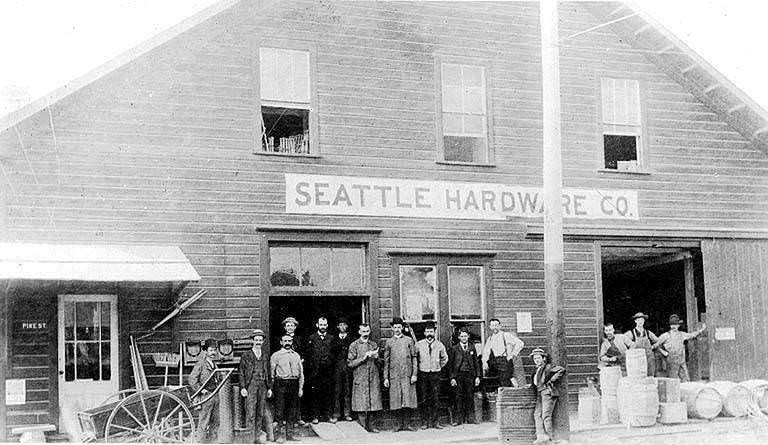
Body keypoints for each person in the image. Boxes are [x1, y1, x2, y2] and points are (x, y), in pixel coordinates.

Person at [383, 317, 418, 431]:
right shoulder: (389, 342)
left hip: (407, 375)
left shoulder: (408, 340)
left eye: (399, 327)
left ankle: (407, 424)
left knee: (407, 400)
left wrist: (414, 374)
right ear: (392, 328)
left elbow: (414, 358)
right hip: (394, 376)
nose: (397, 329)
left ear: (402, 328)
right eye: (395, 327)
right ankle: (398, 425)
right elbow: (386, 361)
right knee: (396, 400)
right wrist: (386, 378)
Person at [239, 329, 273, 444]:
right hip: (251, 386)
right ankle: (250, 439)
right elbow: (241, 373)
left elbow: (268, 372)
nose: (258, 342)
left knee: (260, 412)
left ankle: (257, 437)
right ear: (252, 341)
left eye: (260, 340)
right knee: (250, 412)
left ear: (263, 342)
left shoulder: (265, 355)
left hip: (263, 386)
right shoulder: (246, 355)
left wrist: (269, 388)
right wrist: (243, 387)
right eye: (256, 340)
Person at [347, 323, 382, 433]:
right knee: (361, 404)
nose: (366, 333)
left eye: (367, 331)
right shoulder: (354, 345)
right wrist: (363, 358)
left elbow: (380, 363)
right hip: (360, 377)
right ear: (359, 332)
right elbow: (350, 363)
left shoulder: (373, 344)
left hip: (372, 377)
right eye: (363, 331)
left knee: (373, 402)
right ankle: (361, 427)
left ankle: (372, 426)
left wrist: (377, 358)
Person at [270, 334, 304, 443]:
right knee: (280, 411)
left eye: (289, 341)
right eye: (285, 341)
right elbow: (272, 374)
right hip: (281, 384)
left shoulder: (296, 355)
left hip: (294, 384)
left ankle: (290, 434)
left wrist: (300, 388)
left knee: (292, 410)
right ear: (281, 342)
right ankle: (279, 436)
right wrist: (271, 388)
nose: (287, 343)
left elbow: (301, 373)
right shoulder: (276, 356)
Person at [653, 314, 706, 382]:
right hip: (671, 361)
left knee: (685, 379)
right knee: (672, 381)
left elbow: (691, 335)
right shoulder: (665, 336)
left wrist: (701, 330)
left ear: (678, 325)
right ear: (670, 325)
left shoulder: (682, 334)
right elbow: (655, 346)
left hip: (681, 360)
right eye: (672, 325)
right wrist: (664, 352)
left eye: (675, 325)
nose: (673, 326)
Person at [415, 322, 448, 429]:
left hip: (435, 374)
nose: (429, 333)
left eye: (431, 331)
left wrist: (437, 366)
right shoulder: (419, 344)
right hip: (423, 374)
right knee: (424, 398)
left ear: (434, 332)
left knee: (435, 398)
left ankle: (435, 422)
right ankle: (425, 422)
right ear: (424, 333)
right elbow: (415, 358)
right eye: (427, 331)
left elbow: (445, 358)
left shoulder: (439, 345)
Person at [529, 348, 565, 445]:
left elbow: (561, 370)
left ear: (544, 358)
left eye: (538, 358)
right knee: (537, 415)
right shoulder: (536, 370)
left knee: (546, 416)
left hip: (547, 393)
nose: (536, 360)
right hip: (539, 394)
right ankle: (541, 437)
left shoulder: (547, 367)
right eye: (534, 358)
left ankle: (550, 438)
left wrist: (552, 380)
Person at [189, 338, 220, 443]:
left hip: (215, 396)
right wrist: (200, 390)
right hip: (206, 397)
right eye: (211, 350)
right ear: (205, 351)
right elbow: (192, 379)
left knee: (216, 422)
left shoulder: (215, 365)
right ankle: (201, 442)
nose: (213, 353)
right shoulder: (200, 364)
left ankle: (213, 442)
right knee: (204, 422)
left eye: (215, 350)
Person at [449, 327, 481, 426]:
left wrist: (477, 376)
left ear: (468, 336)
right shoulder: (454, 348)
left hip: (470, 375)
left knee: (469, 396)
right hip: (458, 375)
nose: (464, 338)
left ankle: (470, 418)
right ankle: (458, 419)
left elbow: (476, 363)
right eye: (462, 336)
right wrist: (452, 378)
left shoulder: (472, 347)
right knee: (458, 397)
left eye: (465, 336)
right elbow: (451, 364)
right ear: (459, 337)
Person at [305, 317, 335, 424]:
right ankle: (315, 416)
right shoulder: (312, 338)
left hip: (327, 371)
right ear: (317, 325)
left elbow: (334, 353)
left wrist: (328, 359)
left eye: (324, 325)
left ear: (327, 326)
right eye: (321, 325)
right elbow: (308, 355)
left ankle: (328, 415)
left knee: (327, 393)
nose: (323, 327)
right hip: (315, 371)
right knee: (315, 394)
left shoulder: (331, 338)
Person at [481, 318, 525, 387]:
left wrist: (513, 354)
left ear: (500, 326)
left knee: (505, 381)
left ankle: (508, 395)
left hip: (504, 361)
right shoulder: (490, 338)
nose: (494, 327)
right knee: (497, 382)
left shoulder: (506, 335)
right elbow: (486, 352)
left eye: (496, 325)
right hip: (495, 362)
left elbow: (520, 343)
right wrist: (484, 362)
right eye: (492, 326)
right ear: (490, 327)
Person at [281, 316, 306, 426]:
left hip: (296, 368)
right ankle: (287, 419)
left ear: (295, 327)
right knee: (286, 397)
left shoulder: (300, 339)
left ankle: (298, 417)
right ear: (285, 327)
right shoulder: (281, 339)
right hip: (285, 370)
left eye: (292, 325)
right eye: (288, 325)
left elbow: (304, 351)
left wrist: (301, 359)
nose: (290, 327)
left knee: (298, 395)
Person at [330, 317, 354, 423]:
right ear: (337, 327)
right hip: (337, 368)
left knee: (347, 390)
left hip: (348, 368)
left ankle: (347, 413)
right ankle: (336, 414)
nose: (342, 327)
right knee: (337, 391)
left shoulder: (352, 339)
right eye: (340, 325)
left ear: (347, 326)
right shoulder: (333, 339)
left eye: (344, 325)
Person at [625, 312, 660, 377]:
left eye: (642, 320)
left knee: (650, 376)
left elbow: (658, 341)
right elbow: (623, 341)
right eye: (638, 320)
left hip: (649, 358)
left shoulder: (648, 332)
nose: (640, 321)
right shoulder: (631, 333)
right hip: (637, 359)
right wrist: (631, 347)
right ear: (635, 321)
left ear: (644, 321)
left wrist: (653, 346)